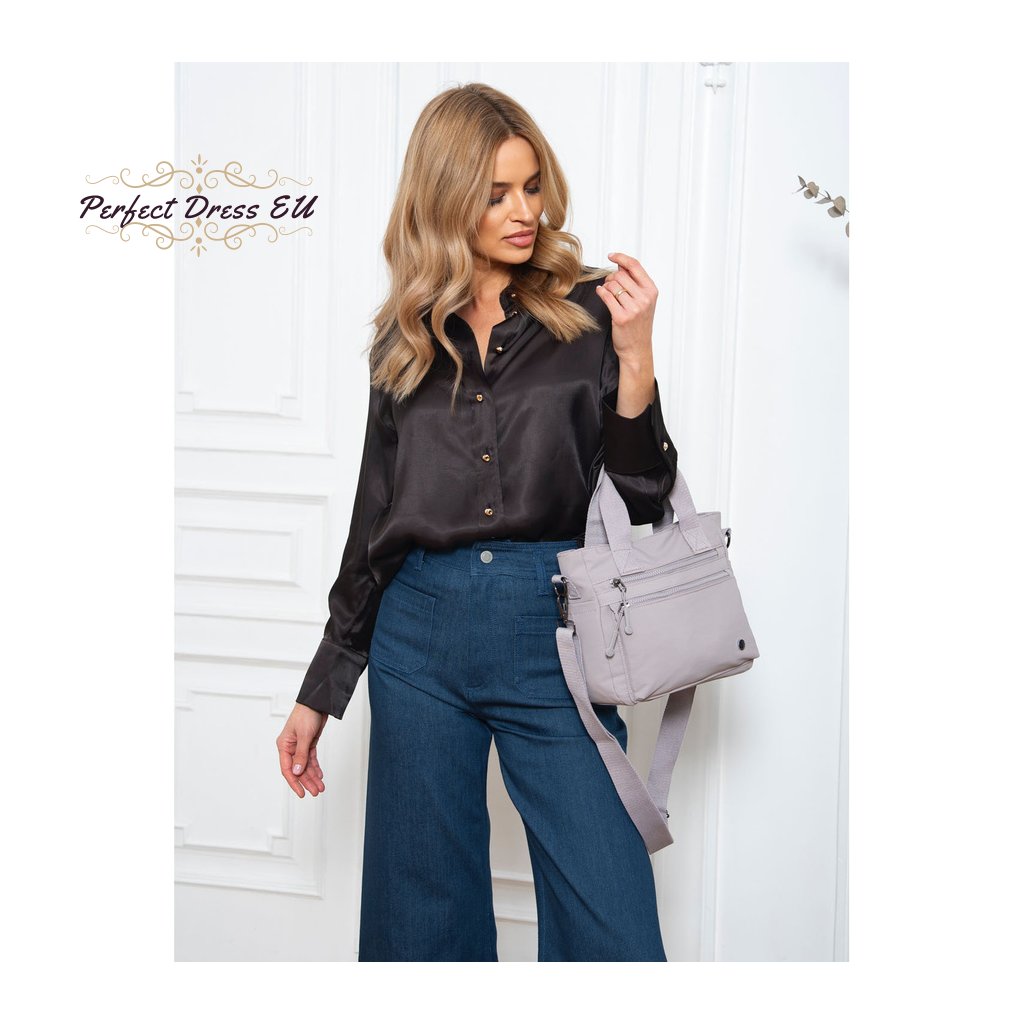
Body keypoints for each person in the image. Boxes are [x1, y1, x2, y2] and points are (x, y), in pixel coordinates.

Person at [274, 82, 679, 962]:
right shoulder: (405, 340)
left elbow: (645, 496)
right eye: (496, 195)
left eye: (531, 187)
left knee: (610, 917)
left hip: (556, 634)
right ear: (446, 199)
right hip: (418, 638)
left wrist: (638, 355)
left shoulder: (592, 312)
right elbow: (374, 519)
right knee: (420, 924)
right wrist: (321, 689)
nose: (524, 212)